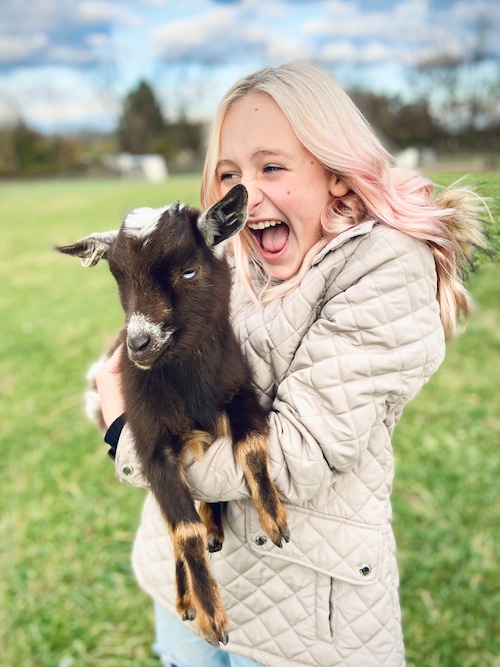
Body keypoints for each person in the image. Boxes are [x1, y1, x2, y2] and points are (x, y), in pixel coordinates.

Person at [95, 64, 487, 667]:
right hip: (188, 571)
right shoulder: (218, 255)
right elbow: (131, 361)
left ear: (335, 173)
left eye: (271, 166)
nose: (244, 195)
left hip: (303, 615)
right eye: (229, 173)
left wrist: (130, 436)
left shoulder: (383, 270)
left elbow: (300, 454)